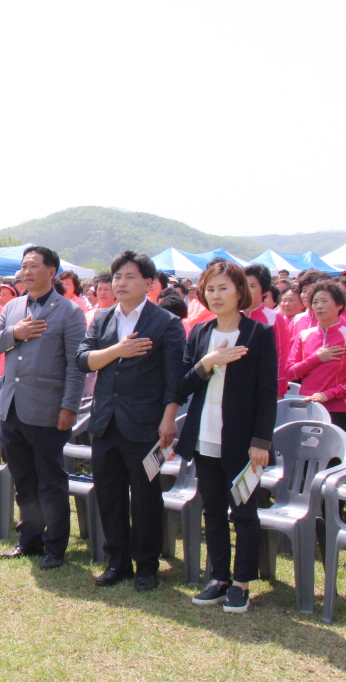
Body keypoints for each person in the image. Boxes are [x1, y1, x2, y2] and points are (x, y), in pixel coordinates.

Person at [76, 250, 185, 592]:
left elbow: (174, 379)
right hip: (105, 422)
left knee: (146, 496)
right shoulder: (103, 318)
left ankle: (147, 565)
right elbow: (83, 360)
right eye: (117, 276)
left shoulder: (165, 322)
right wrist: (116, 352)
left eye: (130, 276)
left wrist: (169, 419)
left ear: (149, 283)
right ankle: (117, 561)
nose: (120, 283)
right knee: (108, 494)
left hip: (146, 424)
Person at [177, 260, 277, 613]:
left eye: (223, 287)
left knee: (244, 513)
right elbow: (183, 383)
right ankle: (218, 578)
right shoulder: (201, 333)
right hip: (205, 437)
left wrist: (261, 441)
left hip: (243, 442)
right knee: (213, 511)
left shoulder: (258, 334)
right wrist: (209, 362)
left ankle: (241, 583)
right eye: (210, 288)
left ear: (240, 291)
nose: (215, 295)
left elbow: (267, 393)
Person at [0, 246, 86, 568]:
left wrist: (69, 406)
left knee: (50, 480)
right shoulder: (13, 306)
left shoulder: (69, 311)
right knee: (24, 479)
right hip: (12, 407)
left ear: (52, 271)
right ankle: (29, 540)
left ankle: (55, 546)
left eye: (33, 266)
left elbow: (76, 364)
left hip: (47, 407)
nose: (26, 272)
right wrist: (15, 333)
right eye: (23, 266)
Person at [287, 281, 346, 429]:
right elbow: (289, 373)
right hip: (306, 405)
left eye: (325, 301)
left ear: (339, 305)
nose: (319, 306)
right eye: (315, 302)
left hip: (338, 409)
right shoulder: (304, 335)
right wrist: (316, 358)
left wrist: (329, 394)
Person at [244, 264, 290, 397]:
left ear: (264, 291)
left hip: (263, 388)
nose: (246, 290)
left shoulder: (275, 318)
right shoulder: (232, 316)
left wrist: (279, 391)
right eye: (243, 285)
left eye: (252, 286)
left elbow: (281, 357)